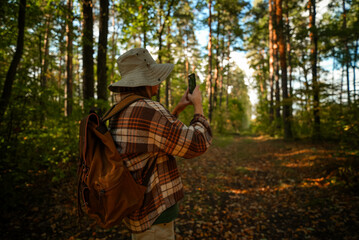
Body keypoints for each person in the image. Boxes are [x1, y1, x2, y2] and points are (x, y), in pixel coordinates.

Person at [108, 48, 212, 239]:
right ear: (145, 81)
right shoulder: (148, 109)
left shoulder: (119, 109)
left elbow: (152, 140)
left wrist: (178, 109)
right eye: (155, 77)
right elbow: (197, 144)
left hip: (136, 211)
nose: (159, 82)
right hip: (154, 214)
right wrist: (198, 106)